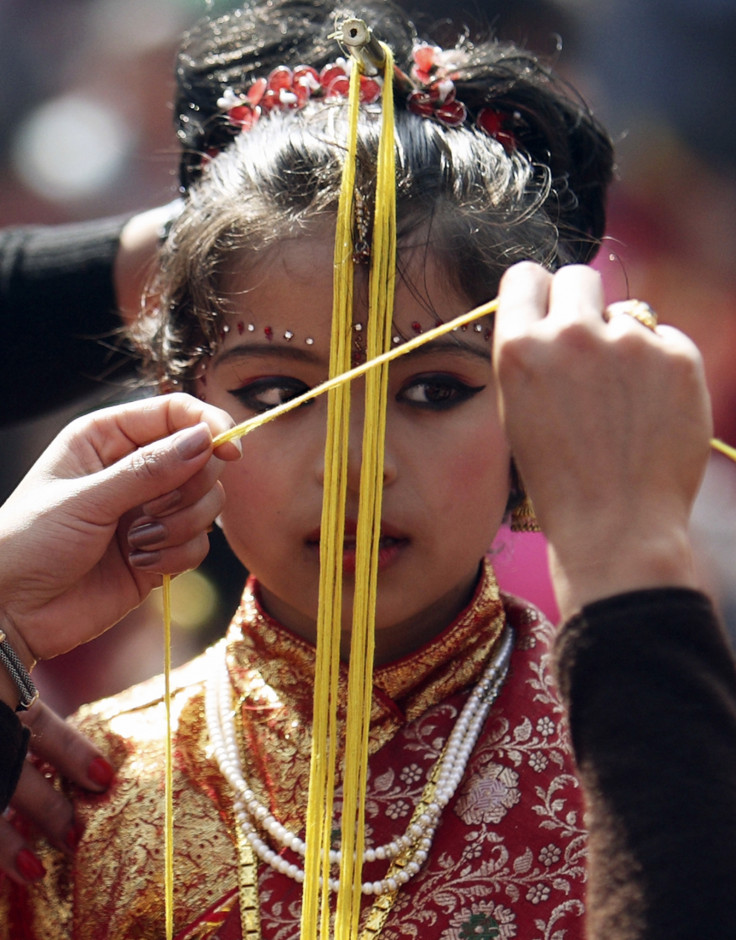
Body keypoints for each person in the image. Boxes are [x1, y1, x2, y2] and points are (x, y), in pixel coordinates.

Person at [1, 1, 735, 938]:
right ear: (174, 399)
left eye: (432, 391)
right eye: (276, 393)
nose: (356, 465)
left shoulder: (666, 773)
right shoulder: (64, 797)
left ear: (539, 404)